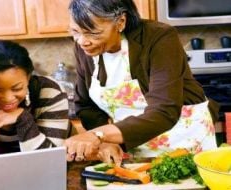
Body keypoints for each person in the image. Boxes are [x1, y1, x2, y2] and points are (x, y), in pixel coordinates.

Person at [64, 0, 219, 165]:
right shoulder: (84, 47)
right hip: (132, 141)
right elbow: (87, 107)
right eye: (75, 31)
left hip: (182, 137)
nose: (82, 41)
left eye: (93, 33)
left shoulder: (159, 37)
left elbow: (164, 111)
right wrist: (106, 142)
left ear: (120, 22)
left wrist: (99, 135)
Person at [0, 40, 69, 154]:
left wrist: (23, 118)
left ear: (28, 77)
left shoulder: (49, 93)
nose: (8, 98)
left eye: (17, 88)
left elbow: (51, 158)